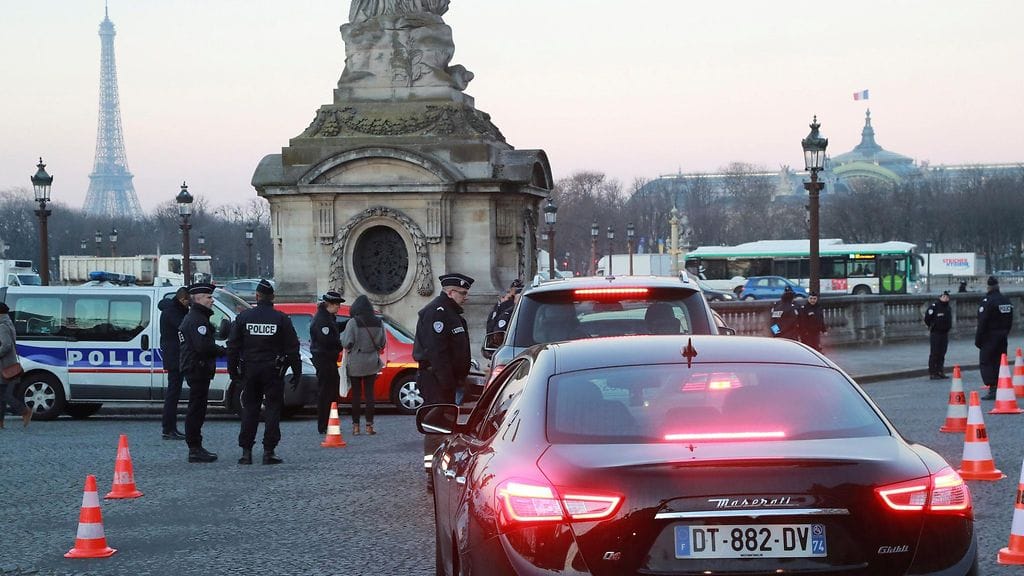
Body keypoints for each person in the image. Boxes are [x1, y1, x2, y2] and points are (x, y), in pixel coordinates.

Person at [227, 279, 301, 465]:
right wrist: (297, 372)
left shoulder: (244, 318)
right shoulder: (281, 319)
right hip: (273, 371)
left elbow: (233, 347)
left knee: (250, 409)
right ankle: (269, 451)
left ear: (257, 296)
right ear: (273, 297)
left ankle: (246, 452)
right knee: (273, 410)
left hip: (250, 370)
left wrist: (233, 372)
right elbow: (293, 348)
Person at [414, 273, 473, 481]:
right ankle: (432, 473)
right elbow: (436, 351)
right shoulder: (437, 313)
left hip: (448, 380)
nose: (466, 297)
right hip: (436, 380)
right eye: (463, 293)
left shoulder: (451, 313)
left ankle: (442, 467)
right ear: (450, 292)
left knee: (446, 427)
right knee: (435, 427)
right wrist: (448, 382)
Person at [179, 283, 227, 463]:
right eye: (208, 297)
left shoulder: (196, 318)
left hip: (196, 367)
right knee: (196, 409)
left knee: (197, 408)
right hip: (197, 367)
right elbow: (202, 346)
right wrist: (223, 351)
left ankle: (196, 446)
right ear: (198, 299)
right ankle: (194, 448)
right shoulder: (197, 320)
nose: (212, 300)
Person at [340, 295, 386, 436]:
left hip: (356, 361)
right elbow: (382, 343)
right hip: (372, 360)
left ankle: (355, 427)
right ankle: (369, 426)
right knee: (370, 395)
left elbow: (347, 342)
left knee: (356, 396)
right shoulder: (378, 322)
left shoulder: (353, 322)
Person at [310, 291, 345, 435]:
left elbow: (335, 328)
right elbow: (328, 340)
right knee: (326, 392)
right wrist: (340, 345)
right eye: (337, 304)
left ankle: (329, 421)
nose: (339, 307)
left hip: (327, 359)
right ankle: (323, 424)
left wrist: (349, 322)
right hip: (324, 358)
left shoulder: (328, 317)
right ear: (329, 304)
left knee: (331, 391)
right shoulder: (322, 320)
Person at [159, 287, 190, 440]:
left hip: (174, 356)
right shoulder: (173, 312)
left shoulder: (171, 310)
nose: (188, 305)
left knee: (174, 393)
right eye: (187, 302)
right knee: (173, 394)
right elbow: (184, 327)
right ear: (182, 300)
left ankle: (170, 428)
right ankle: (168, 428)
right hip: (175, 357)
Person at [976, 276, 1014, 400]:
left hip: (989, 336)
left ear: (988, 287)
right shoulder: (1006, 300)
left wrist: (978, 339)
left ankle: (992, 387)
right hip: (1002, 335)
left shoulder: (987, 301)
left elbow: (982, 322)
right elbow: (1010, 320)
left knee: (987, 361)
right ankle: (1000, 385)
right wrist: (1005, 332)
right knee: (1000, 361)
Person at [0, 302, 31, 429]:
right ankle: (0, 422)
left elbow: (6, 345)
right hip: (9, 364)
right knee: (1, 395)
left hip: (4, 366)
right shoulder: (8, 323)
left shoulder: (2, 326)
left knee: (5, 395)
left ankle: (24, 411)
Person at [924, 291, 953, 379]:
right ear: (940, 297)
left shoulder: (948, 307)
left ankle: (940, 371)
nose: (945, 298)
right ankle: (933, 372)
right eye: (944, 297)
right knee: (935, 353)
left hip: (945, 333)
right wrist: (933, 326)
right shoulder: (934, 307)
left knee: (942, 353)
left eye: (947, 297)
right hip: (936, 333)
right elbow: (927, 318)